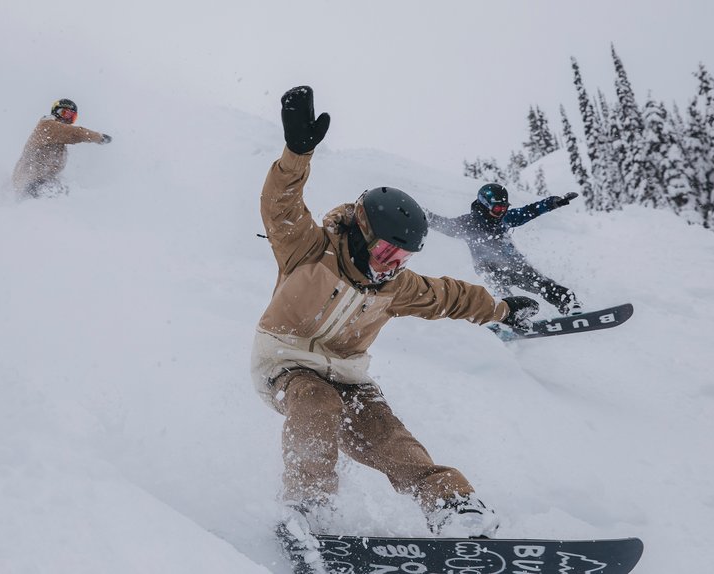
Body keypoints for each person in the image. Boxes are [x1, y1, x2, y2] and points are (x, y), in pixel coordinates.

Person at [250, 86, 540, 550]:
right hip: (285, 363)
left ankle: (452, 506)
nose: (392, 263)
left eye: (402, 257)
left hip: (347, 374)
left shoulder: (394, 285)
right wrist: (296, 154)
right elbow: (279, 205)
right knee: (315, 405)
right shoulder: (309, 250)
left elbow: (449, 295)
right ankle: (309, 508)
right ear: (363, 233)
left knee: (392, 440)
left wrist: (503, 309)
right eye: (386, 250)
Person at [424, 183, 583, 316]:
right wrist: (426, 217)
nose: (502, 213)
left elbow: (531, 210)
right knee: (501, 293)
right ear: (485, 205)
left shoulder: (505, 219)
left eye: (505, 208)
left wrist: (553, 202)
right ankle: (507, 319)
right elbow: (444, 225)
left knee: (542, 283)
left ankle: (569, 303)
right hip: (490, 269)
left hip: (515, 266)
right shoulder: (468, 224)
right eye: (498, 209)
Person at [12, 99, 112, 198]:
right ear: (56, 112)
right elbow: (75, 133)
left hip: (39, 182)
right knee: (60, 195)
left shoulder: (57, 138)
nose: (67, 119)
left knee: (65, 192)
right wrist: (99, 137)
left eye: (71, 117)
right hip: (32, 183)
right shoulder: (48, 125)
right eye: (65, 113)